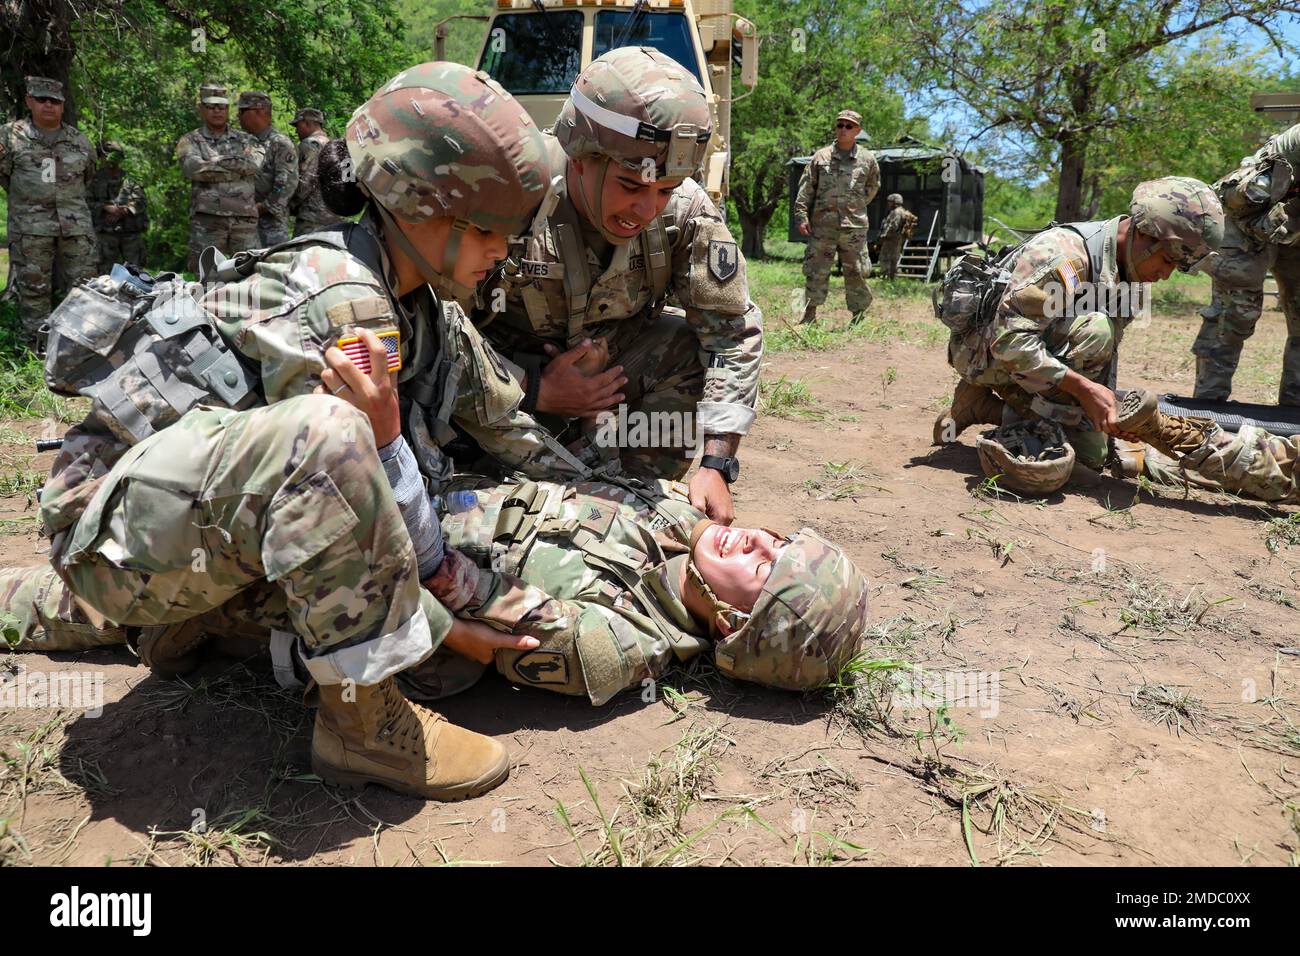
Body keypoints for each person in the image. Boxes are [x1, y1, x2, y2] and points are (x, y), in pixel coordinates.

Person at [12, 62, 577, 803]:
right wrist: (438, 621)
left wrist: (615, 497)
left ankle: (214, 624)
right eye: (490, 229)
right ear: (415, 207)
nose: (504, 248)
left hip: (188, 520)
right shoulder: (343, 305)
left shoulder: (427, 309)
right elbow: (343, 499)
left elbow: (512, 430)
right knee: (346, 461)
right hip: (114, 535)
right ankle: (362, 727)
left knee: (431, 636)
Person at [3, 478, 871, 707]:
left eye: (765, 567)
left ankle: (187, 627)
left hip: (364, 572)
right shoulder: (675, 539)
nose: (756, 538)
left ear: (734, 627)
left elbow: (482, 611)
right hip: (405, 505)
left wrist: (386, 466)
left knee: (125, 586)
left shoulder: (621, 643)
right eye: (777, 536)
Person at [474, 47, 762, 525]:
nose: (648, 210)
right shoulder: (513, 194)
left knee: (681, 345)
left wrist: (716, 463)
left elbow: (731, 335)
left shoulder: (685, 213)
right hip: (503, 399)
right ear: (580, 156)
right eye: (631, 186)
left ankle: (628, 504)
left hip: (608, 398)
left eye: (665, 190)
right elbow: (438, 331)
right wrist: (535, 386)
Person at [933, 177, 1224, 478]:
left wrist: (1108, 412)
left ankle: (984, 406)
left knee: (1091, 458)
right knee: (1096, 330)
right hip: (985, 353)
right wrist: (1084, 391)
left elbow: (1106, 356)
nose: (1165, 274)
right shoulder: (1065, 256)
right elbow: (1009, 341)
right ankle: (981, 402)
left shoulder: (1132, 274)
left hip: (1039, 351)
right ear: (1145, 234)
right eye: (1166, 260)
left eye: (1177, 268)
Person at [1192, 123, 1300, 405]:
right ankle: (1207, 407)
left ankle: (1294, 413)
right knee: (1235, 314)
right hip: (1249, 222)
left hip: (1294, 226)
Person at [0, 76, 96, 351]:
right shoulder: (9, 136)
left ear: (63, 105)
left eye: (55, 101)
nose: (48, 105)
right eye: (41, 99)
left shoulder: (79, 141)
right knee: (33, 292)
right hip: (31, 228)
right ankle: (35, 351)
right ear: (29, 101)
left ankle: (79, 350)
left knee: (84, 290)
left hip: (75, 228)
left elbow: (87, 177)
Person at [793, 109, 880, 326]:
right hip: (823, 226)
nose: (843, 129)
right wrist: (801, 215)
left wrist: (855, 206)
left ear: (857, 131)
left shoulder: (868, 159)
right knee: (816, 270)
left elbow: (872, 187)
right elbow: (806, 189)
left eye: (848, 126)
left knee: (857, 271)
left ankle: (858, 317)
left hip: (854, 227)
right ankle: (810, 315)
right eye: (840, 125)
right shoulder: (820, 157)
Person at [175, 83, 260, 272]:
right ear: (201, 109)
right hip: (208, 220)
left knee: (251, 276)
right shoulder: (189, 140)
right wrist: (236, 165)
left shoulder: (248, 140)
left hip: (244, 219)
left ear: (228, 109)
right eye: (211, 107)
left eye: (221, 107)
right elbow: (193, 169)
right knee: (207, 277)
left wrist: (213, 162)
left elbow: (254, 165)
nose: (217, 111)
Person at [236, 90, 299, 246]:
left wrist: (262, 208)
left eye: (243, 111)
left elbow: (285, 187)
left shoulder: (280, 144)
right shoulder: (244, 142)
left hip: (271, 228)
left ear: (258, 111)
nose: (238, 116)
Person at [88, 140, 148, 273]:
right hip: (104, 234)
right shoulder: (93, 180)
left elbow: (141, 200)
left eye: (115, 155)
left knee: (135, 272)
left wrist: (124, 210)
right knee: (104, 274)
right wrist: (105, 207)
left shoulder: (130, 179)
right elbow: (86, 201)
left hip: (130, 234)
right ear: (101, 157)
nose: (110, 159)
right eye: (106, 155)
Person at [289, 107, 345, 236]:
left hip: (311, 218)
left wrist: (290, 205)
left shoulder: (309, 144)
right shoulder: (334, 145)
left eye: (297, 126)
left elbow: (305, 182)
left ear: (307, 123)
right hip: (334, 216)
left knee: (303, 255)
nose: (296, 130)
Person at [877, 193, 917, 280]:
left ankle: (885, 276)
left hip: (891, 239)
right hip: (897, 239)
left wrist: (885, 235)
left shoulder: (896, 212)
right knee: (894, 259)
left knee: (884, 257)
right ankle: (892, 278)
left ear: (895, 202)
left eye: (890, 202)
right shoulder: (902, 211)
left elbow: (894, 226)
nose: (888, 204)